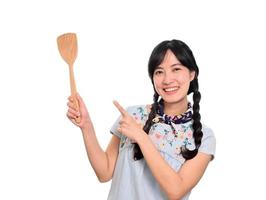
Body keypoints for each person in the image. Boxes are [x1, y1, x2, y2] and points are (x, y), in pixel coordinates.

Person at [66, 39, 216, 200]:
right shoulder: (133, 115)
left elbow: (175, 190)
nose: (167, 79)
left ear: (192, 74)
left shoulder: (204, 137)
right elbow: (104, 172)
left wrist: (141, 137)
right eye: (159, 72)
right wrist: (86, 125)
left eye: (176, 69)